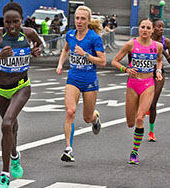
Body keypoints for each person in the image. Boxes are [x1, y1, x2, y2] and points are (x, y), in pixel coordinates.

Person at [0, 2, 43, 188]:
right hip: (0, 89)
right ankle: (14, 155)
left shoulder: (28, 33)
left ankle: (5, 175)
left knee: (7, 123)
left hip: (21, 86)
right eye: (8, 22)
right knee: (11, 126)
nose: (12, 26)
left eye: (16, 22)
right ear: (2, 21)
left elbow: (40, 43)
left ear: (22, 21)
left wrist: (38, 50)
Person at [56, 5, 106, 162]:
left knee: (86, 117)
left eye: (83, 18)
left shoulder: (94, 38)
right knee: (70, 111)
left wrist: (85, 55)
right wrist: (60, 64)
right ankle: (69, 149)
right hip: (73, 78)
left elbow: (103, 61)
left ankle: (95, 118)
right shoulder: (70, 35)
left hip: (89, 81)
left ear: (88, 21)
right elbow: (65, 50)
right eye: (77, 18)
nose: (79, 21)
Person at [111, 18, 163, 165]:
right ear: (138, 29)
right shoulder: (131, 44)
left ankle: (134, 152)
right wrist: (126, 69)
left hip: (148, 84)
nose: (145, 30)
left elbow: (159, 60)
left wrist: (158, 71)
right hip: (133, 85)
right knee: (130, 122)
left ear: (152, 30)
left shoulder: (157, 46)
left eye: (148, 28)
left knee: (140, 118)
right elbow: (114, 61)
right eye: (142, 27)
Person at [148, 19, 170, 141]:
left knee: (153, 103)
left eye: (163, 27)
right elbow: (131, 51)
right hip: (145, 73)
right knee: (145, 103)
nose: (161, 29)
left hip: (159, 73)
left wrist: (163, 52)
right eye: (159, 27)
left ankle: (151, 131)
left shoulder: (167, 42)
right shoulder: (146, 40)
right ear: (153, 28)